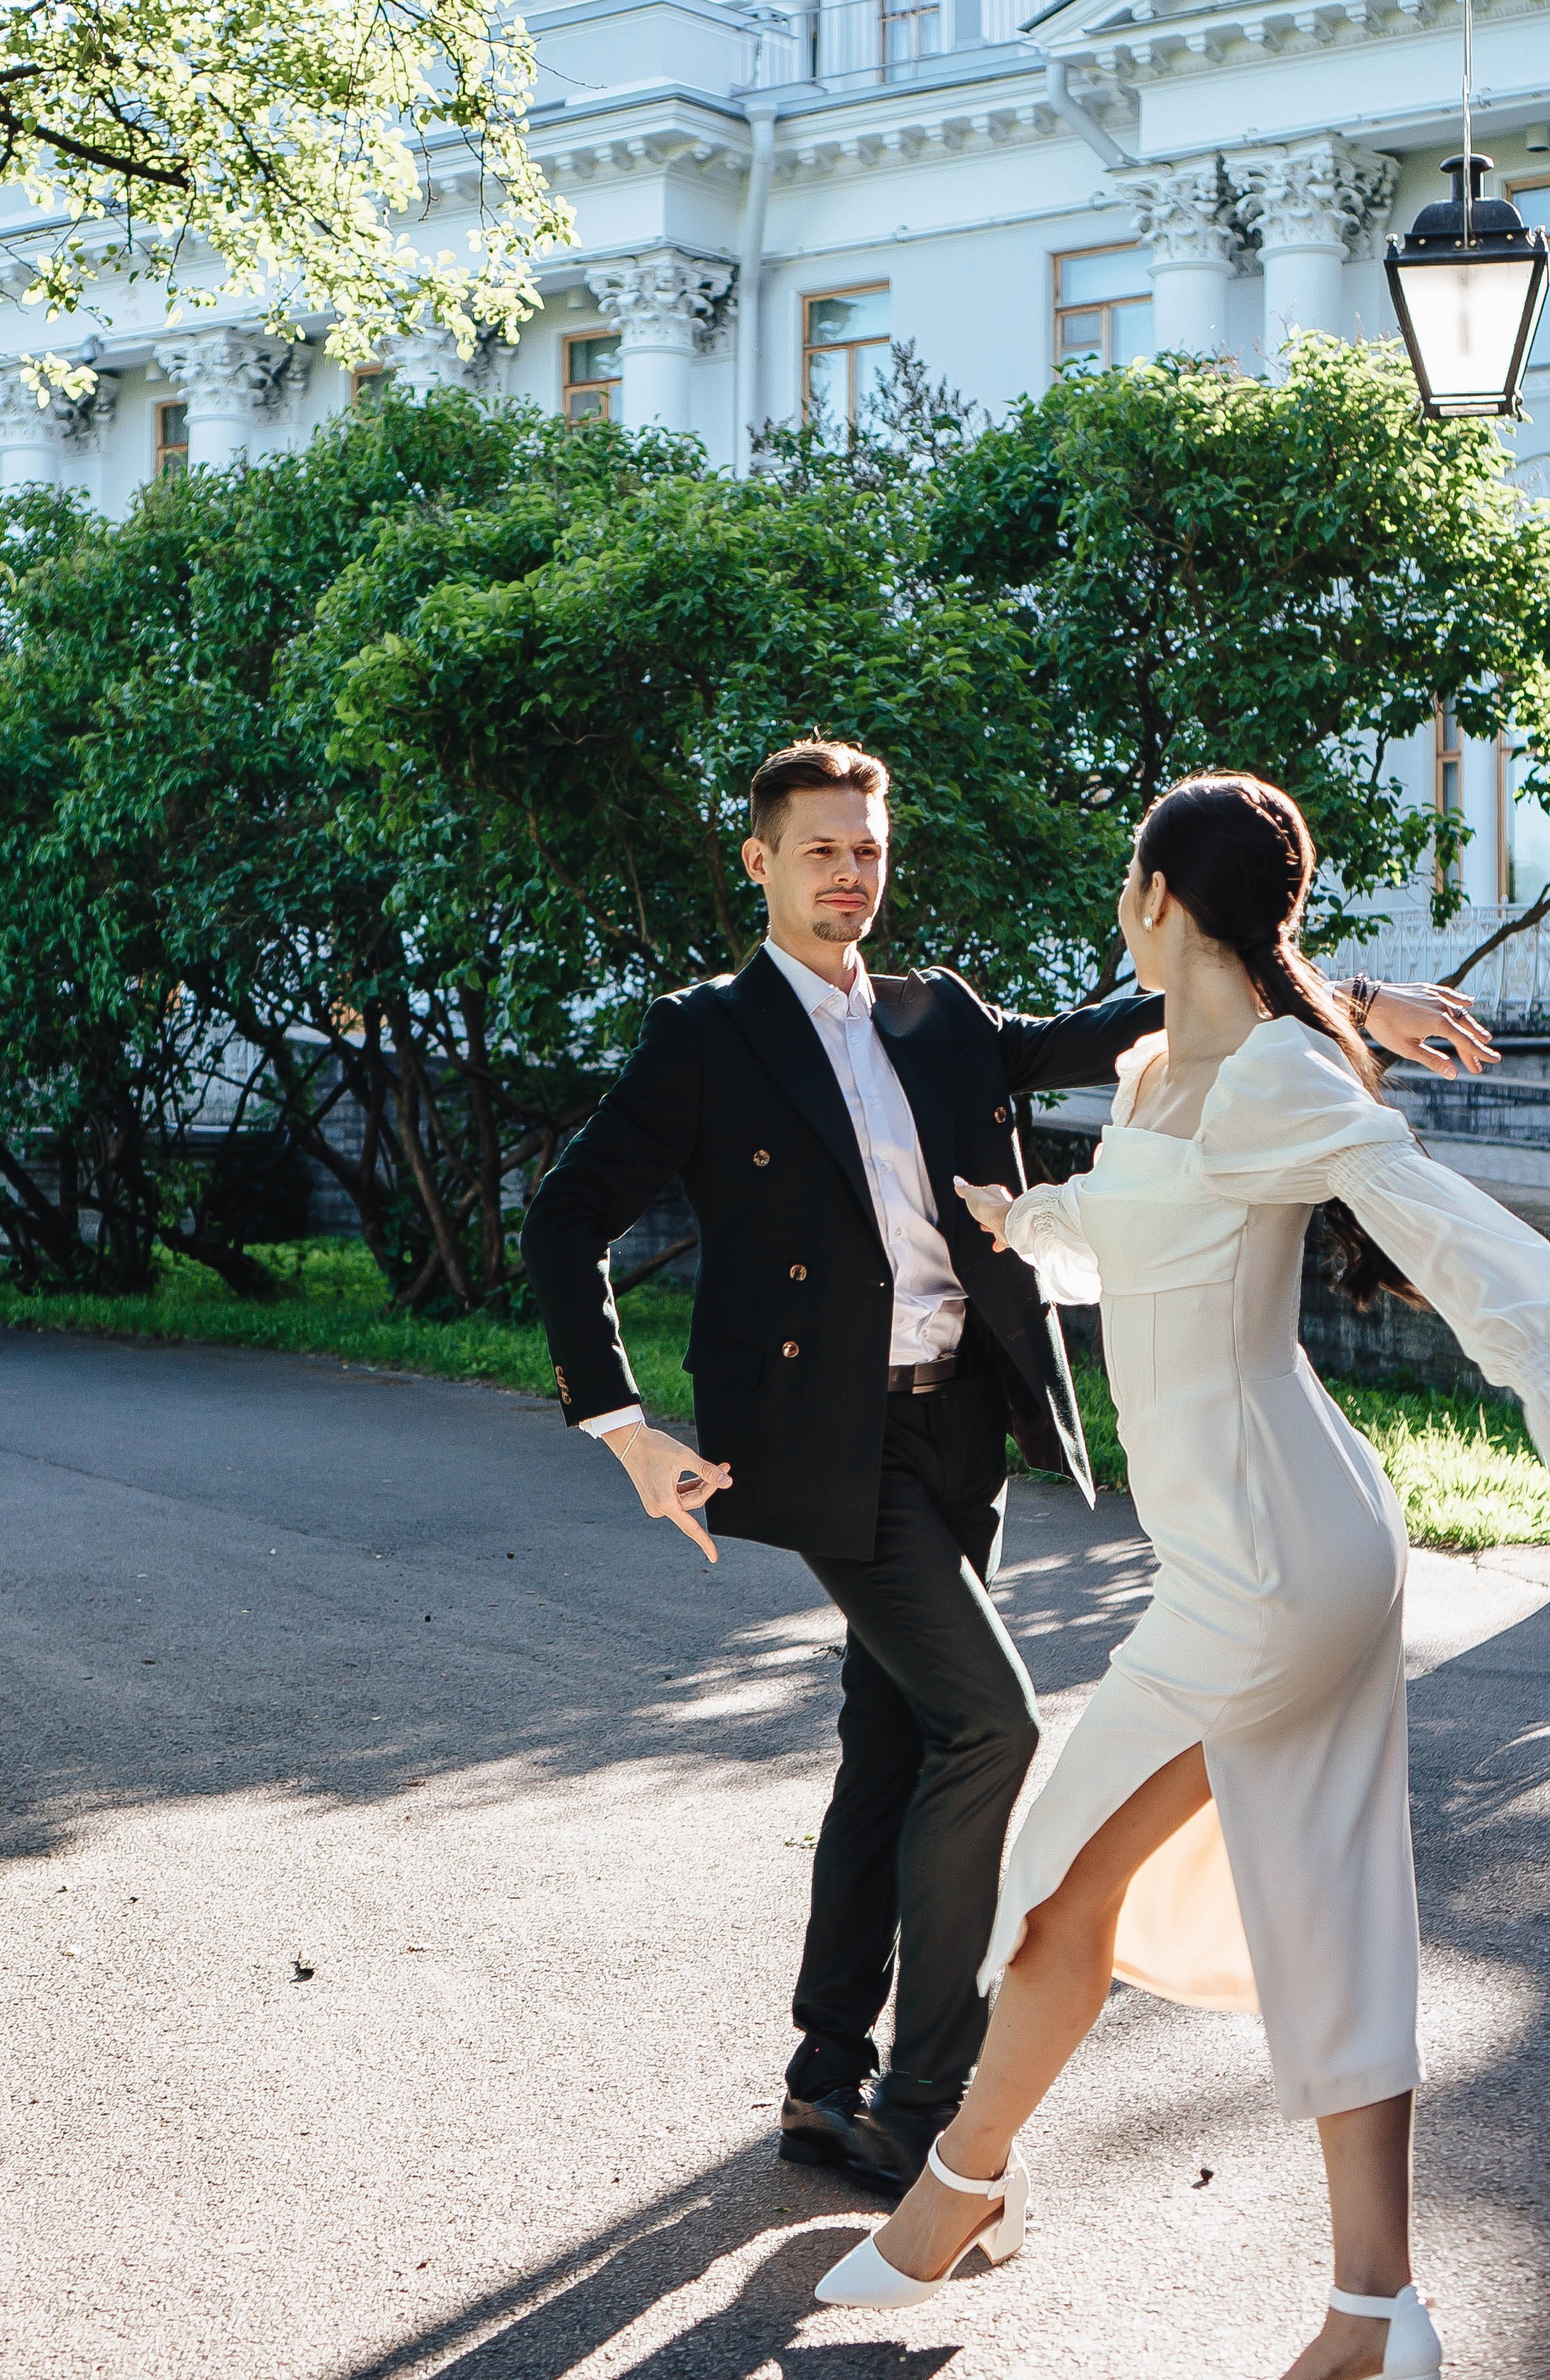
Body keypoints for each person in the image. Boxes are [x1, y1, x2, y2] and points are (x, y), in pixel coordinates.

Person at [520, 739, 1496, 2201]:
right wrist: (623, 1424)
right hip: (825, 1443)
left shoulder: (940, 1014)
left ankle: (816, 2074)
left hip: (956, 1426)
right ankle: (920, 2107)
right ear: (758, 864)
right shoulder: (704, 1037)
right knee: (990, 1726)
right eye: (817, 853)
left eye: (865, 849)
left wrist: (1345, 994)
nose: (849, 877)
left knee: (892, 1738)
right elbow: (564, 1217)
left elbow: (1153, 1006)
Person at [817, 771, 1550, 2380]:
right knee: (1324, 1903)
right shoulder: (1160, 1068)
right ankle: (1376, 2309)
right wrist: (1024, 1225)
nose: (1114, 913)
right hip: (1263, 1548)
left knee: (1056, 1876)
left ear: (1161, 899)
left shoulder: (1280, 1075)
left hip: (1272, 1565)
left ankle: (956, 2198)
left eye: (1121, 889)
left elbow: (1434, 1226)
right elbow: (1122, 1232)